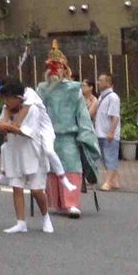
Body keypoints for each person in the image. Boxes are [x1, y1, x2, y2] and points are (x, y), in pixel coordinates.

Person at [35, 44, 99, 218]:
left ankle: (71, 203)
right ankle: (55, 202)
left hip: (68, 135)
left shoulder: (74, 89)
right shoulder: (41, 89)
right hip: (48, 135)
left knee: (71, 166)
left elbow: (82, 114)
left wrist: (84, 134)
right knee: (50, 169)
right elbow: (35, 111)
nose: (55, 71)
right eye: (52, 67)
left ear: (65, 69)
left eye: (59, 67)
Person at [0, 81, 54, 234]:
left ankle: (46, 217)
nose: (6, 103)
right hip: (15, 151)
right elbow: (4, 125)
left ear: (18, 97)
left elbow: (27, 132)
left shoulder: (32, 109)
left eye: (8, 99)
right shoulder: (7, 109)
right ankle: (21, 222)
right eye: (4, 99)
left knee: (36, 190)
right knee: (17, 186)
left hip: (34, 152)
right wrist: (2, 128)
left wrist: (8, 127)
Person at [94, 73, 122, 191]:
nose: (98, 83)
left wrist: (111, 132)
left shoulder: (113, 97)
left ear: (108, 83)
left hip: (108, 133)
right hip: (100, 132)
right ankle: (114, 180)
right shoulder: (101, 97)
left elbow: (115, 117)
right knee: (105, 158)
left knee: (110, 156)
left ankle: (107, 182)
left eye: (101, 80)